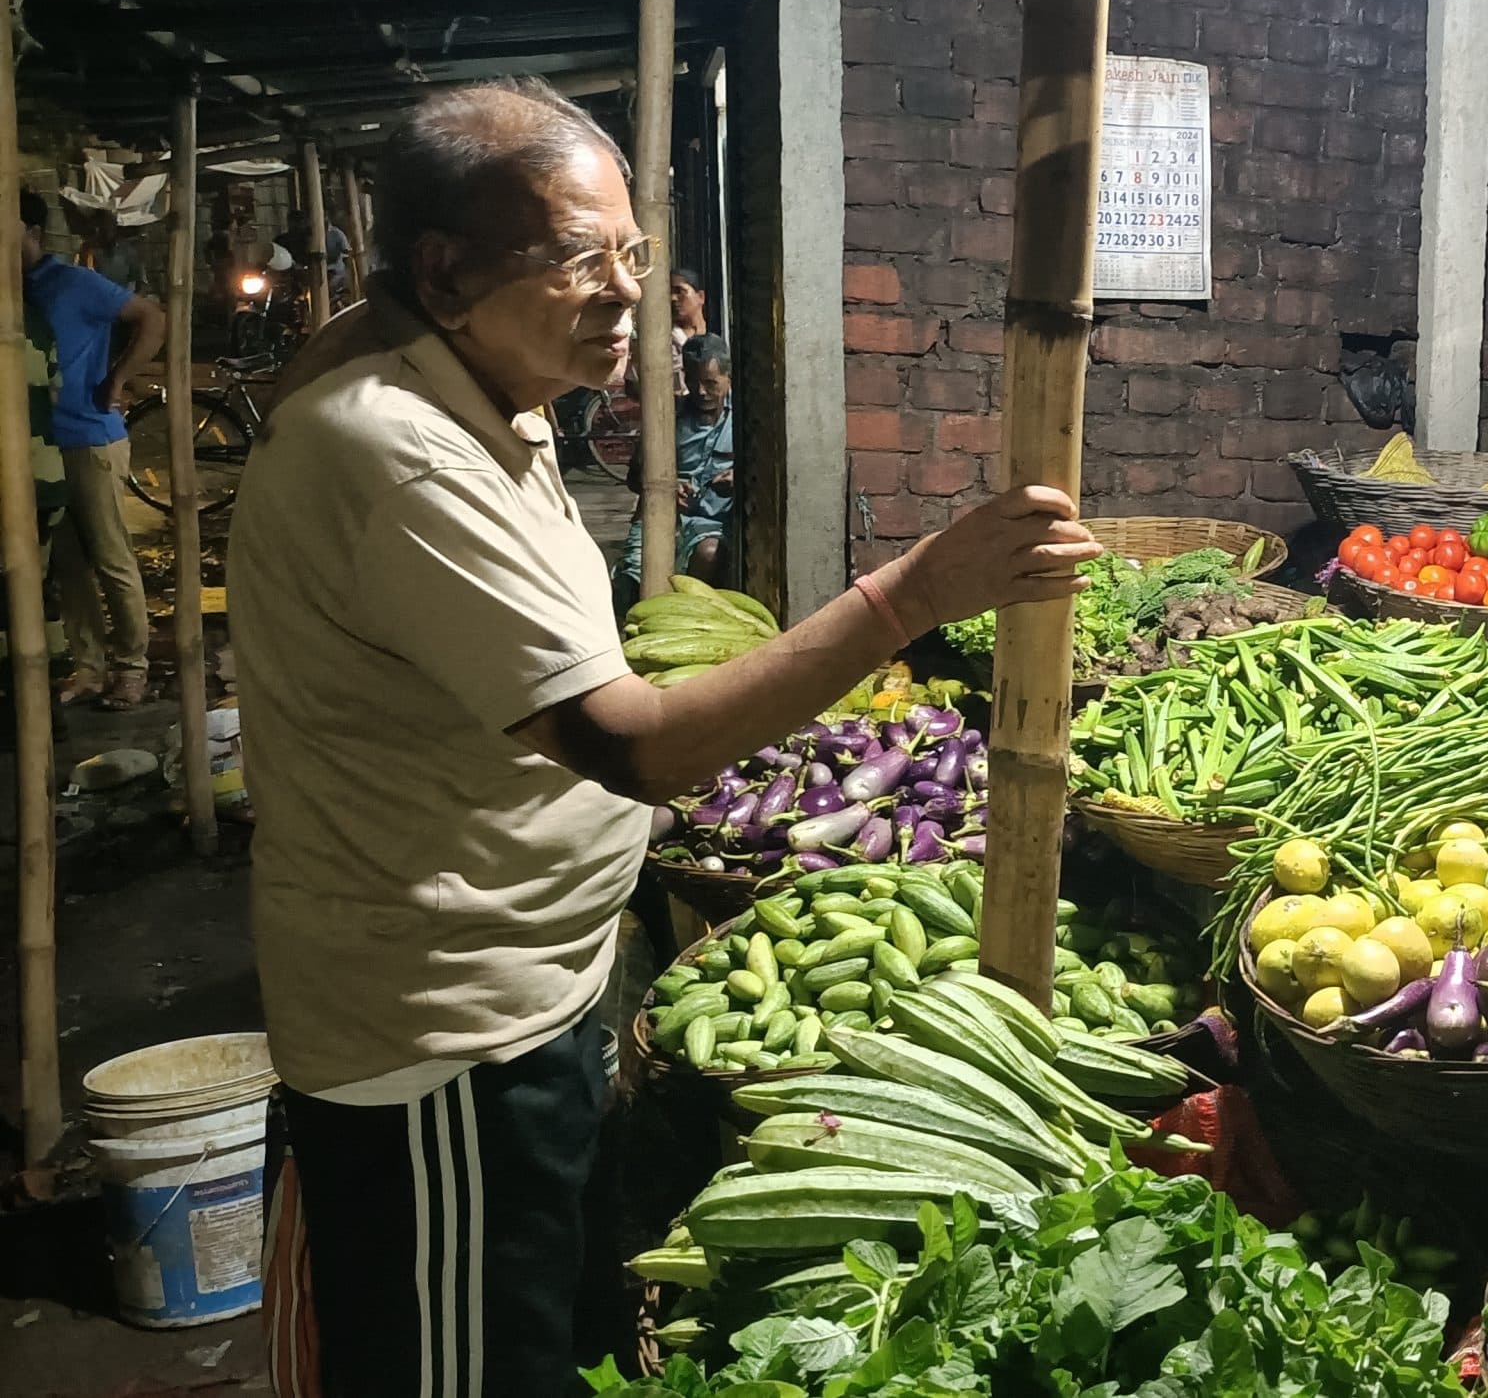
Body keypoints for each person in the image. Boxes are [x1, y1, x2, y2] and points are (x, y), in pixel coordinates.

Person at [228, 78, 1100, 1394]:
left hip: (524, 991)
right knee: (466, 1364)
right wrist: (912, 594)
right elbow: (638, 750)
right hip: (447, 1046)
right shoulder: (395, 451)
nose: (629, 290)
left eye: (636, 250)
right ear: (445, 270)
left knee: (541, 1337)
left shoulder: (442, 358)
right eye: (583, 257)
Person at [23, 189, 165, 710]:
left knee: (110, 556)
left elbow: (152, 316)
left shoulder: (72, 282)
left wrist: (119, 380)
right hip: (40, 444)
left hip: (90, 437)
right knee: (67, 563)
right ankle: (89, 667)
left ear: (32, 234)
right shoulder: (13, 290)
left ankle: (133, 667)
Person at [617, 330, 734, 603]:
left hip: (712, 521)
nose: (701, 392)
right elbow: (634, 478)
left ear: (729, 378)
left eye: (710, 383)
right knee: (633, 584)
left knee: (709, 554)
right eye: (693, 382)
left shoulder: (743, 419)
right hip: (661, 516)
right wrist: (667, 489)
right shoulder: (668, 415)